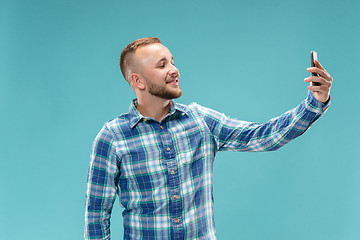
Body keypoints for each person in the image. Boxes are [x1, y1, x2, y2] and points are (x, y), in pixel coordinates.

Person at [84, 37, 332, 240]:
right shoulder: (113, 137)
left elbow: (263, 136)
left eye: (172, 62)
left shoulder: (200, 121)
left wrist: (316, 102)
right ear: (137, 80)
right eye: (162, 65)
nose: (173, 70)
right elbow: (96, 215)